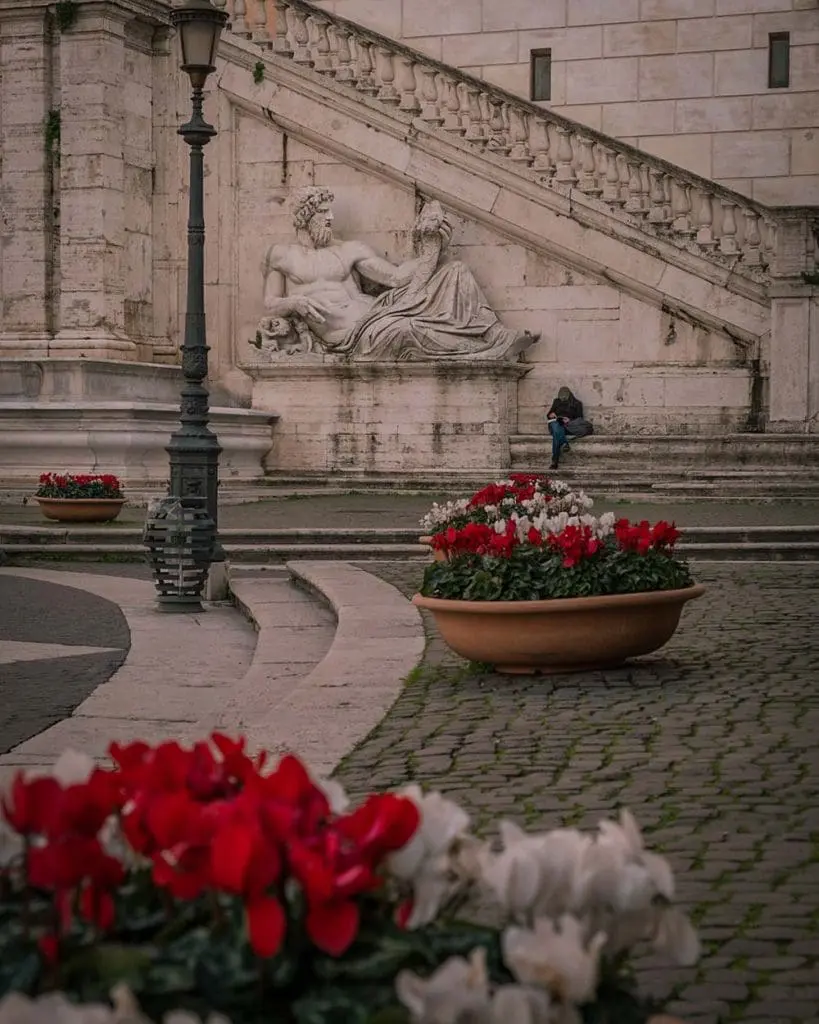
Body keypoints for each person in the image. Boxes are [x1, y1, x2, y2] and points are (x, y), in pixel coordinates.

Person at [261, 186, 539, 361]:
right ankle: (477, 349)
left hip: (377, 314)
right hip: (349, 335)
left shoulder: (349, 250)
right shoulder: (282, 255)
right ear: (306, 217)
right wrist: (293, 302)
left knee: (456, 270)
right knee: (407, 329)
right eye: (323, 213)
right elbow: (270, 303)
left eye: (329, 212)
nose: (331, 218)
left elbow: (395, 278)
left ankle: (494, 335)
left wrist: (432, 247)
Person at [546, 386, 585, 471]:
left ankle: (555, 460)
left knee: (557, 433)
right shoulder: (556, 401)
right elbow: (548, 414)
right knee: (556, 425)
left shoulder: (577, 403)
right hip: (555, 422)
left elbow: (580, 419)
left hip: (568, 426)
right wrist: (551, 415)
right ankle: (564, 443)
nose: (562, 397)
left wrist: (569, 420)